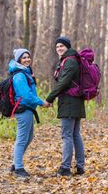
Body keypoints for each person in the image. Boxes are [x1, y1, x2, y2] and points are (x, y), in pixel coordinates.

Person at [44, 37, 86, 177]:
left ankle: (65, 168)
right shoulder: (68, 60)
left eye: (62, 46)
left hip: (69, 103)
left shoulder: (70, 62)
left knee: (67, 135)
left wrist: (49, 98)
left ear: (67, 47)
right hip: (75, 102)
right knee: (74, 134)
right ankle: (80, 166)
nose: (59, 49)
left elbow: (63, 83)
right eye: (57, 47)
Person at [9, 48, 50, 178]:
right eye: (24, 57)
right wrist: (41, 102)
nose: (27, 59)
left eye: (28, 57)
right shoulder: (20, 75)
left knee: (29, 137)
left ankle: (16, 162)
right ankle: (18, 168)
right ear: (19, 60)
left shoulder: (25, 72)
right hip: (23, 109)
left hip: (28, 109)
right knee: (22, 139)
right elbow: (26, 95)